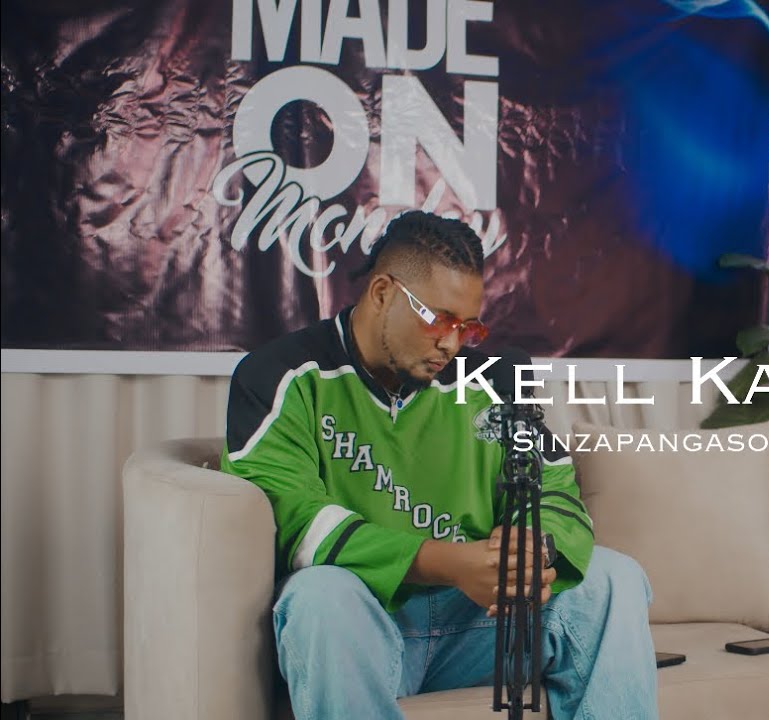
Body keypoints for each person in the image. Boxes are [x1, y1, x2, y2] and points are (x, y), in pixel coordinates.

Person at [222, 211, 658, 720]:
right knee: (318, 597)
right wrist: (447, 562)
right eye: (440, 320)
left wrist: (531, 548)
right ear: (382, 293)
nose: (452, 344)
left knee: (614, 578)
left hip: (477, 623)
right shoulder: (281, 376)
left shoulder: (489, 385)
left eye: (467, 327)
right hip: (365, 624)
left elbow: (554, 486)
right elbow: (294, 520)